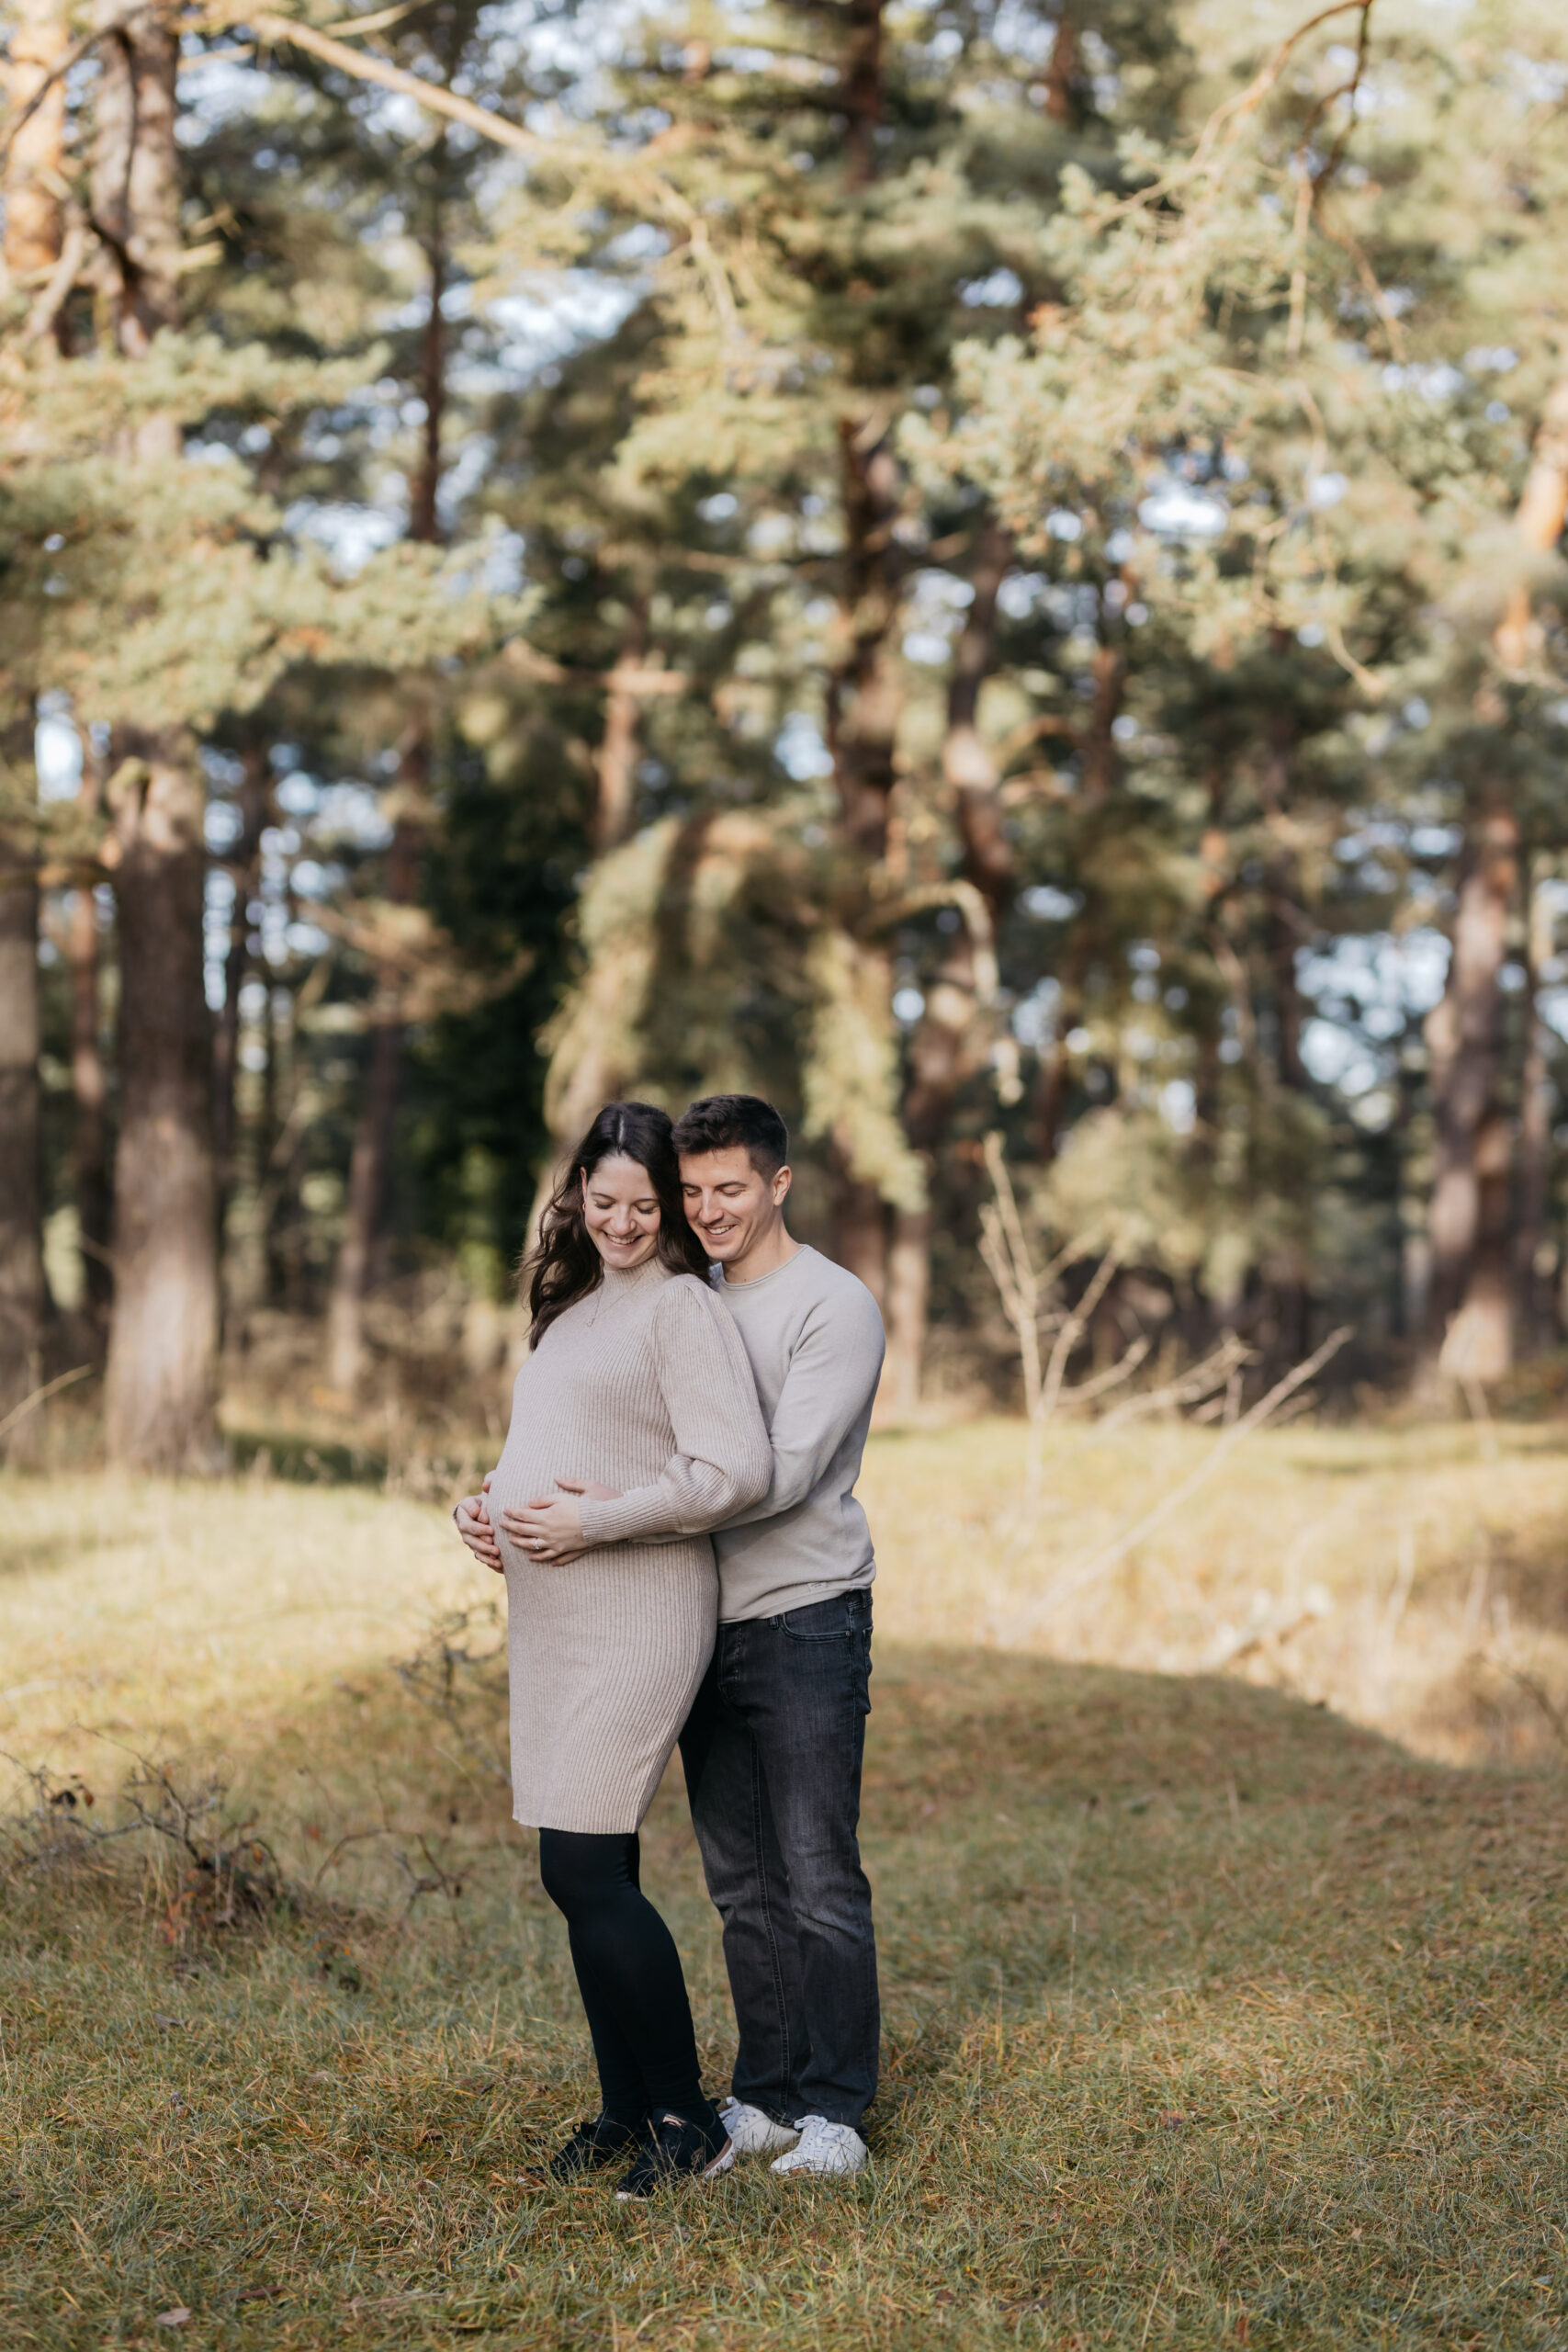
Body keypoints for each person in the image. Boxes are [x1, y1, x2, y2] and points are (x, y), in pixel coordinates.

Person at [451, 1101, 771, 2199]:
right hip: (556, 1621)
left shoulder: (681, 1308)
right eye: (604, 1201)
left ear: (669, 1206)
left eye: (644, 1205)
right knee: (592, 1869)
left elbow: (733, 1470)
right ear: (577, 1192)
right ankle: (626, 2108)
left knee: (581, 1868)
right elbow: (543, 1446)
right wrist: (484, 1509)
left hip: (638, 1612)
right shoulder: (571, 1306)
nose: (623, 1224)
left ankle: (689, 2118)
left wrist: (594, 1520)